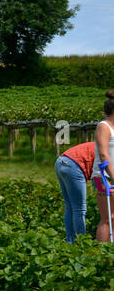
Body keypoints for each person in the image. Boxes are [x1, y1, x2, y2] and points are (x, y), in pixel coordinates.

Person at [55, 91, 114, 243]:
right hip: (88, 171)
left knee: (72, 206)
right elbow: (103, 156)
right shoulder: (104, 127)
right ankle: (81, 244)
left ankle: (72, 241)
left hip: (63, 162)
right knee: (89, 212)